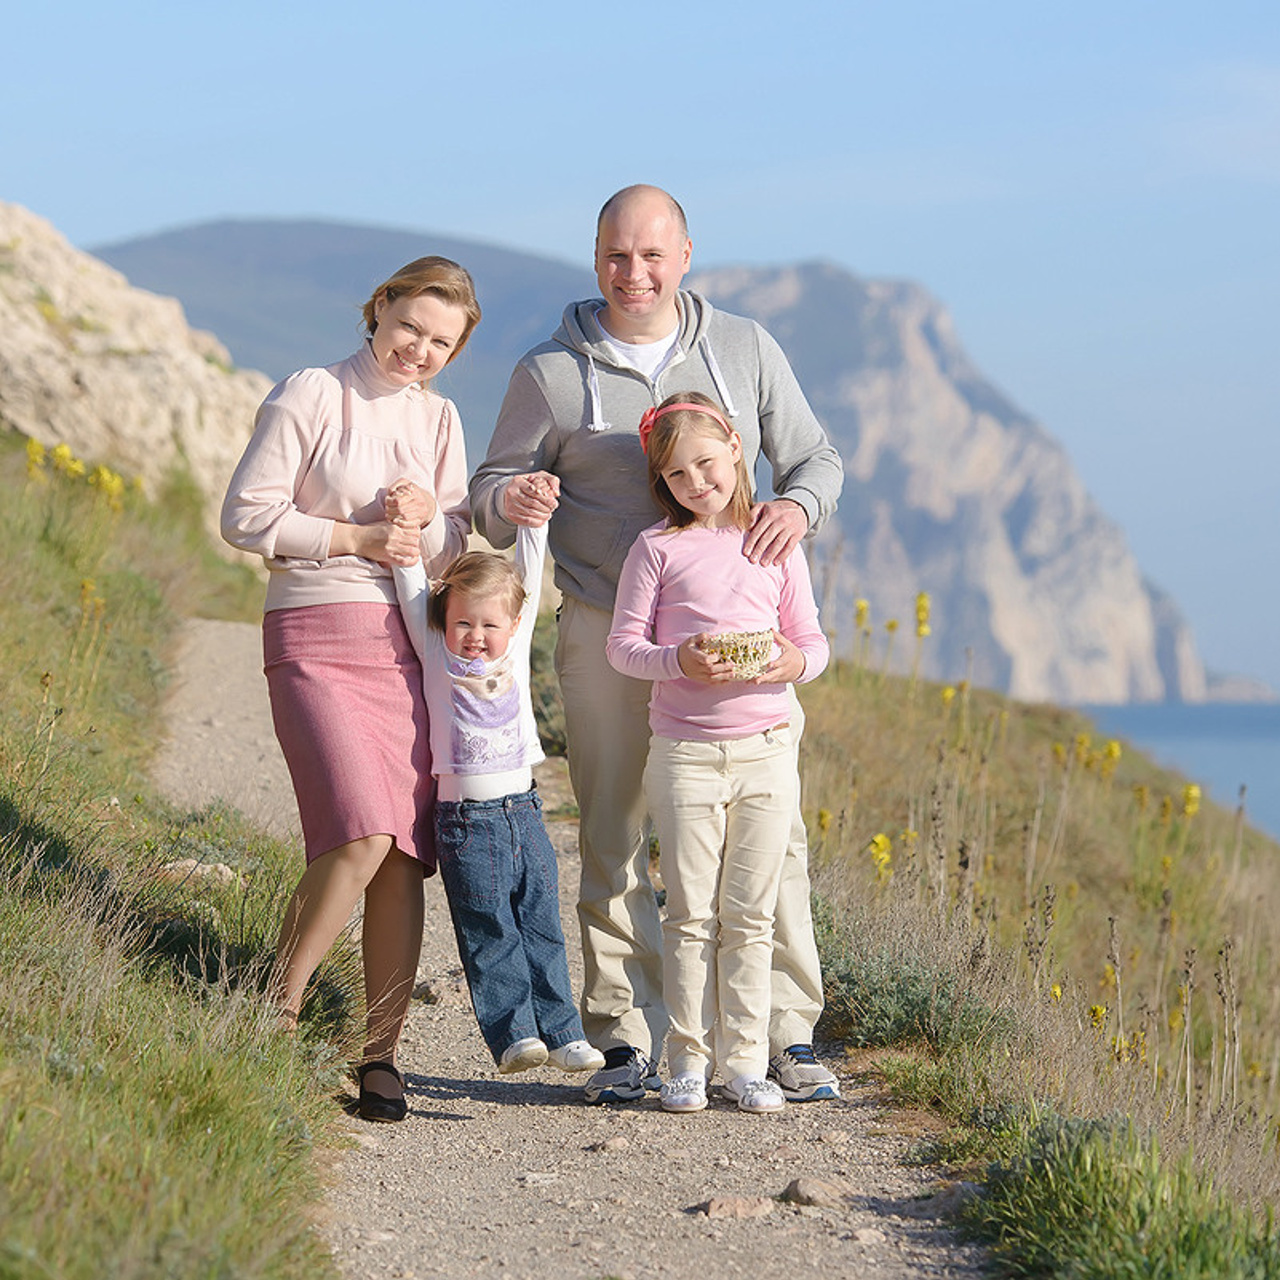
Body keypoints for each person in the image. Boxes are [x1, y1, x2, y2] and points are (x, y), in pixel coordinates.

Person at [469, 184, 844, 1104]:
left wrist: (796, 507)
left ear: (683, 256)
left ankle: (785, 1034)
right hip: (608, 630)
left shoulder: (747, 349)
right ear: (594, 258)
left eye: (649, 255)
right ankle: (627, 1034)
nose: (631, 273)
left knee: (774, 836)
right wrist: (509, 500)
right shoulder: (549, 372)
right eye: (613, 255)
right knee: (614, 830)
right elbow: (489, 485)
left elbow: (816, 461)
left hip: (742, 659)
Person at [221, 256, 479, 1122]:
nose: (420, 349)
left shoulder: (440, 420)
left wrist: (420, 525)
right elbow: (246, 516)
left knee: (403, 853)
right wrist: (359, 538)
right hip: (311, 633)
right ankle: (274, 1009)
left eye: (441, 341)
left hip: (402, 648)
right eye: (410, 327)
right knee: (362, 829)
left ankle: (380, 1055)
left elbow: (449, 548)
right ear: (378, 311)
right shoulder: (313, 393)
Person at [606, 393, 829, 1113]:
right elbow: (624, 647)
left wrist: (789, 664)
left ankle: (745, 1064)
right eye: (676, 475)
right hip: (685, 756)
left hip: (766, 753)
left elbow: (814, 644)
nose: (697, 483)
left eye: (706, 463)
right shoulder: (657, 550)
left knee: (753, 914)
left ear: (737, 448)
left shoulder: (776, 545)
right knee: (690, 912)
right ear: (661, 484)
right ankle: (686, 1063)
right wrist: (679, 662)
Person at [392, 499, 606, 1078]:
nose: (477, 637)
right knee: (489, 927)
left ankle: (563, 1034)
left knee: (541, 922)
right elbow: (414, 590)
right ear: (444, 622)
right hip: (466, 820)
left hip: (526, 811)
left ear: (512, 626)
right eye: (464, 623)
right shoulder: (436, 652)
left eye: (489, 625)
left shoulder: (512, 644)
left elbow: (529, 581)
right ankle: (514, 1035)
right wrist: (407, 534)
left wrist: (535, 523)